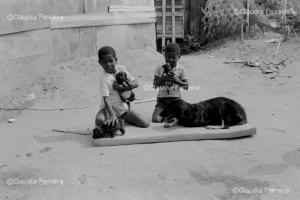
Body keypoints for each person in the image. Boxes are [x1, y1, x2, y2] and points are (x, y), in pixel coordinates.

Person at [93, 46, 150, 137]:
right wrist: (111, 114)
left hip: (122, 108)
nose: (108, 64)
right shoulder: (103, 78)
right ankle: (109, 123)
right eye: (104, 62)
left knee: (146, 123)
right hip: (108, 109)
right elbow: (106, 99)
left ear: (116, 60)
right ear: (100, 63)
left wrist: (125, 88)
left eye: (111, 61)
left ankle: (121, 119)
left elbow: (136, 83)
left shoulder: (121, 68)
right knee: (99, 120)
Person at [152, 43, 189, 123]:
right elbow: (154, 85)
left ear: (179, 57)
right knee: (156, 120)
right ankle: (168, 114)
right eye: (168, 57)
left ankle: (170, 115)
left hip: (176, 100)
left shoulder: (181, 69)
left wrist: (176, 80)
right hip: (162, 101)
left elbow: (186, 87)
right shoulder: (159, 68)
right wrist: (163, 79)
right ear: (164, 56)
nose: (170, 60)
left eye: (173, 58)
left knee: (178, 118)